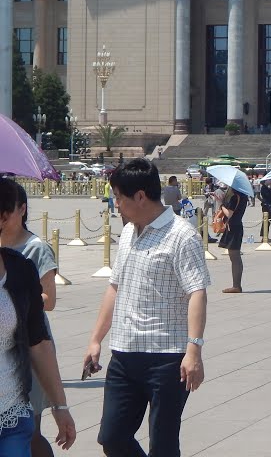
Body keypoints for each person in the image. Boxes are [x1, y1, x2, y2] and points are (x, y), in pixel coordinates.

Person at [84, 158, 209, 455]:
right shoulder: (128, 232)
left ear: (140, 196)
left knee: (163, 444)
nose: (115, 204)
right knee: (112, 437)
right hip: (125, 354)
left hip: (167, 358)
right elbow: (115, 286)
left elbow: (197, 293)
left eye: (118, 197)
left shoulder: (182, 236)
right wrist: (95, 339)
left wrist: (194, 351)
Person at [0, 179, 76, 454]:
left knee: (31, 434)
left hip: (12, 405)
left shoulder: (25, 262)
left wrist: (61, 405)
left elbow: (40, 335)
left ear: (9, 214)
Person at [218, 187, 248, 293]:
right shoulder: (244, 195)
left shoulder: (235, 196)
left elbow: (229, 214)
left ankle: (236, 286)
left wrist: (221, 204)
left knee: (235, 257)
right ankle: (236, 285)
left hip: (233, 227)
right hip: (237, 226)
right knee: (235, 257)